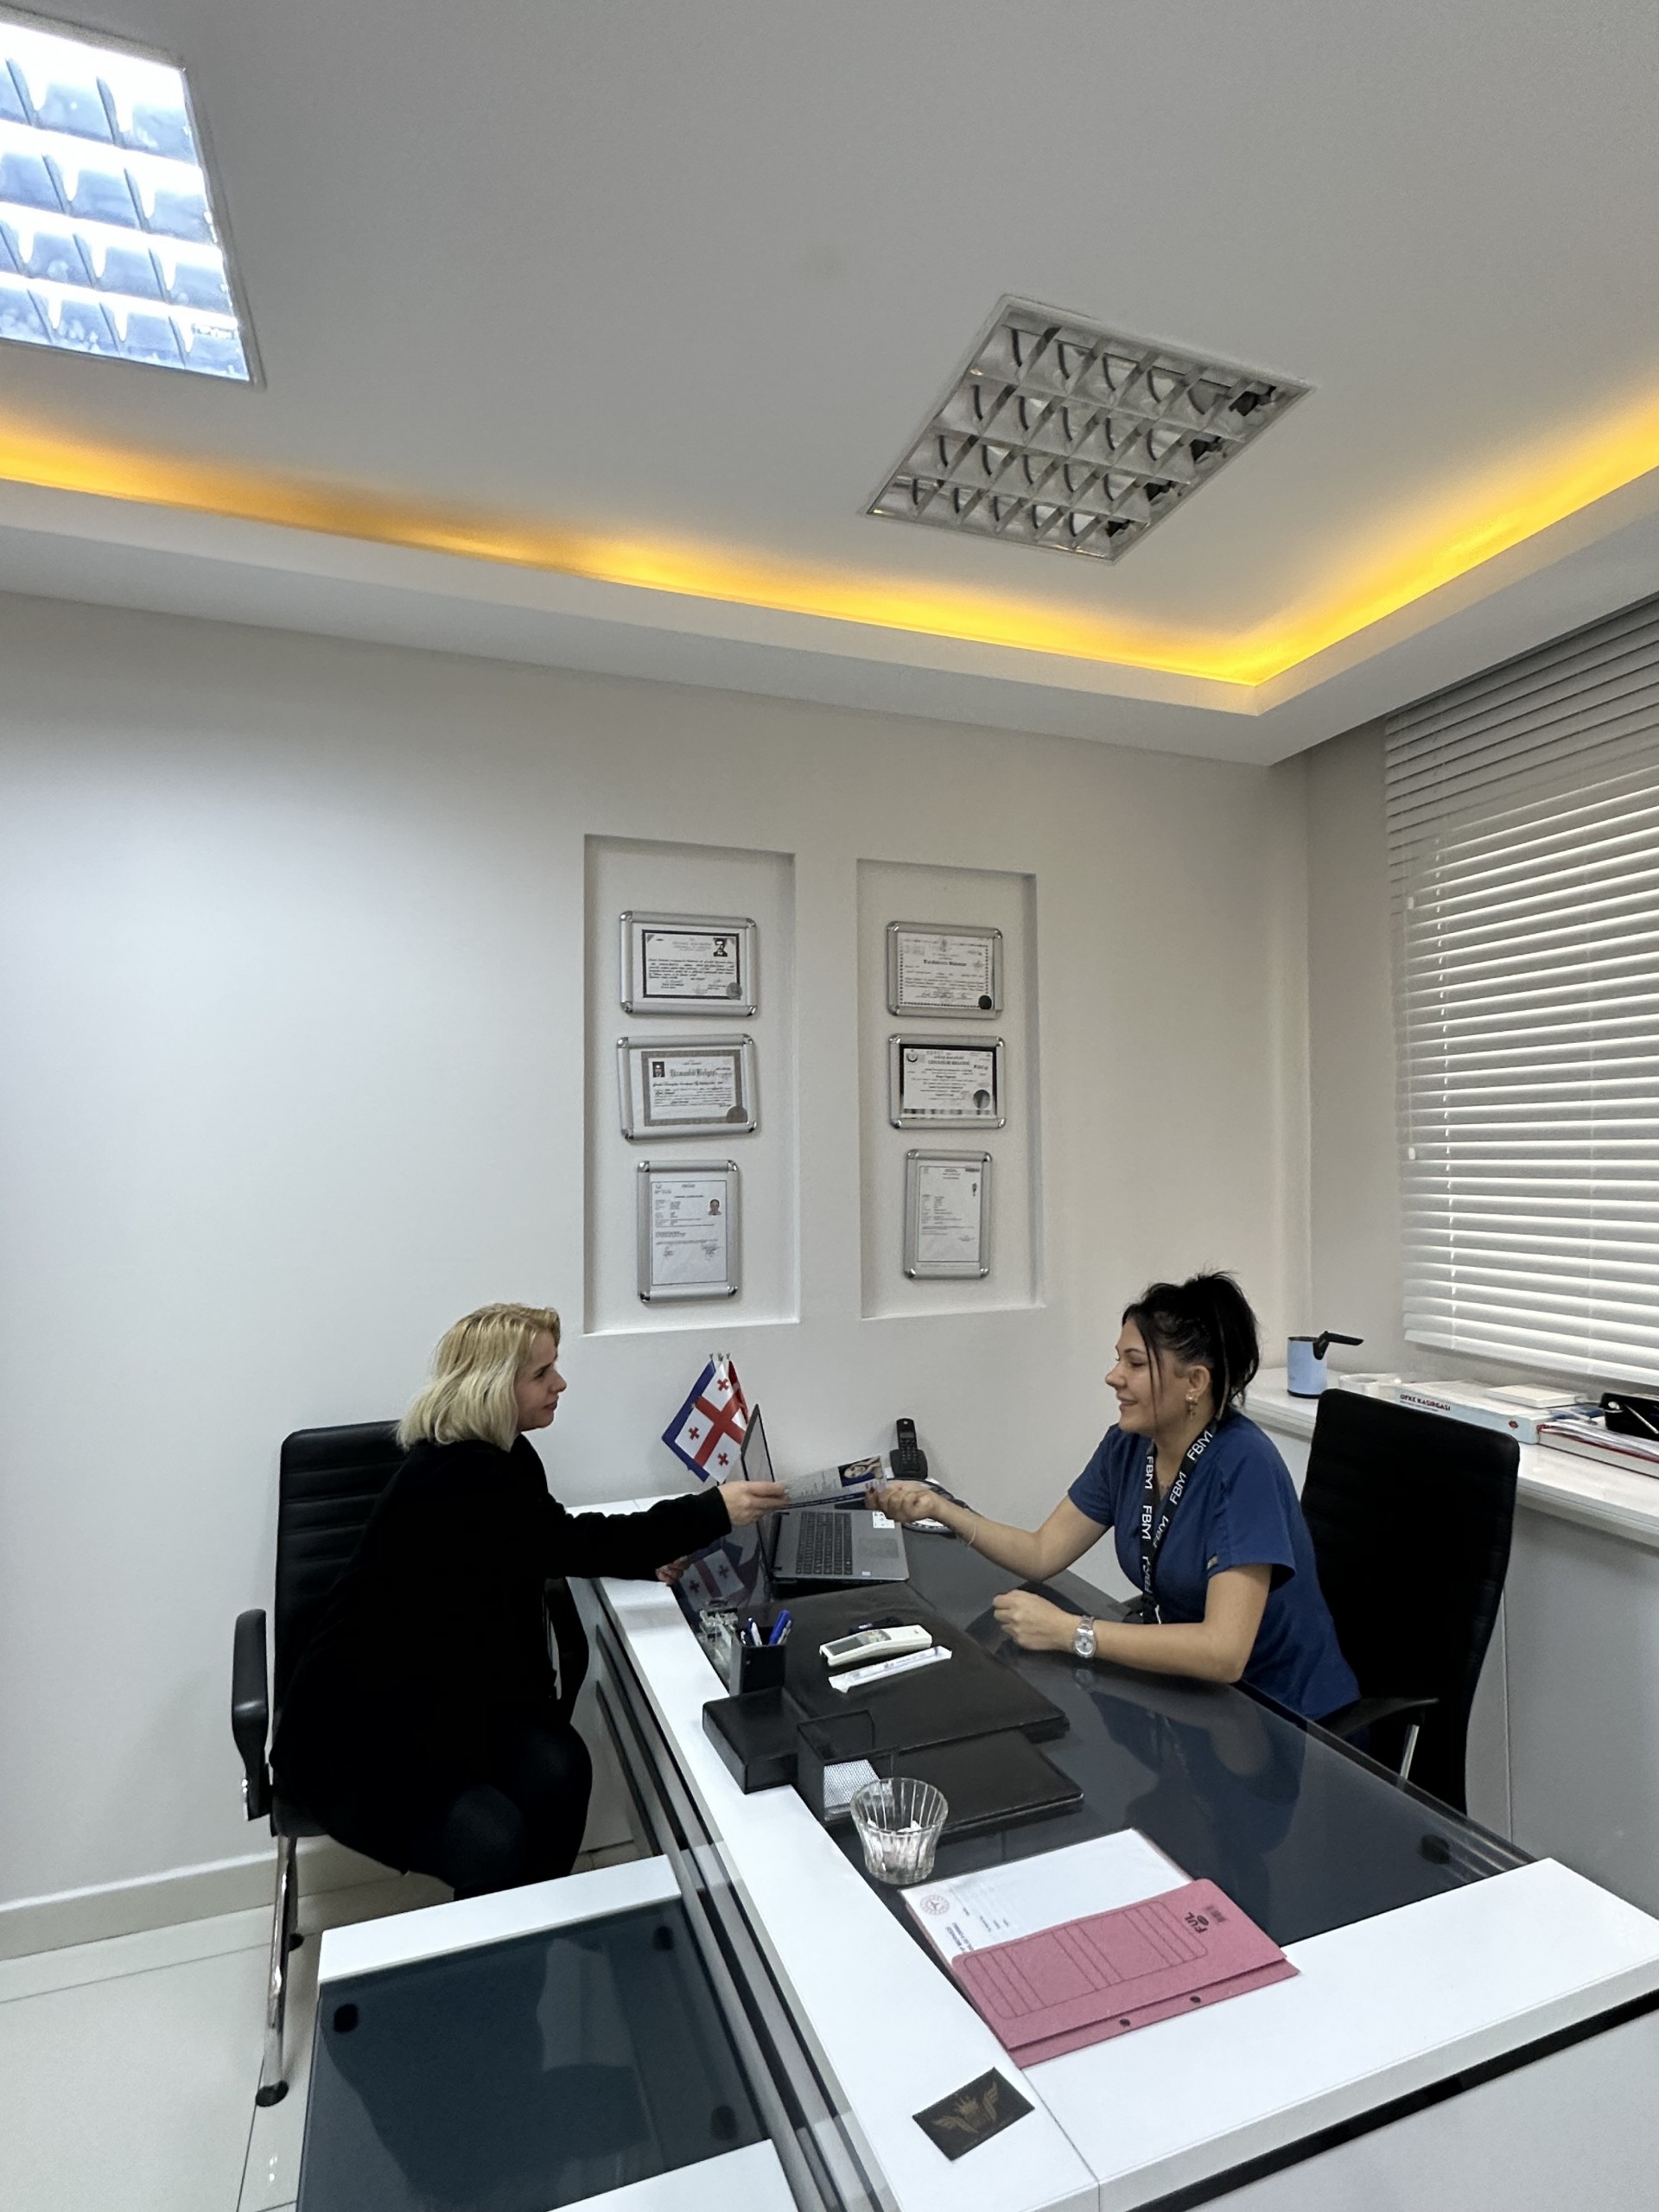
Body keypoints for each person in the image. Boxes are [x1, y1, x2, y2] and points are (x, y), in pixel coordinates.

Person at [272, 1303, 785, 1896]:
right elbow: (568, 1542)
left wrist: (647, 1555)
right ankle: (502, 1930)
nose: (559, 1384)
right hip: (362, 1732)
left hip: (448, 1697)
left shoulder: (504, 1454)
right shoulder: (457, 1475)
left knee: (562, 1767)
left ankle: (536, 1910)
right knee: (494, 1842)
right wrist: (712, 1510)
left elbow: (547, 1542)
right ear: (493, 1387)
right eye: (542, 1374)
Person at [874, 1273, 1358, 1722]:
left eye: (1136, 1363)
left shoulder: (1243, 1465)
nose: (1113, 1376)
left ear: (1195, 1382)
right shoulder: (1129, 1446)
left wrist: (1072, 1632)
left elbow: (1224, 1652)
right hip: (1197, 1697)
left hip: (1287, 1717)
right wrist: (942, 1509)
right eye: (1118, 1359)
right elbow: (1042, 1552)